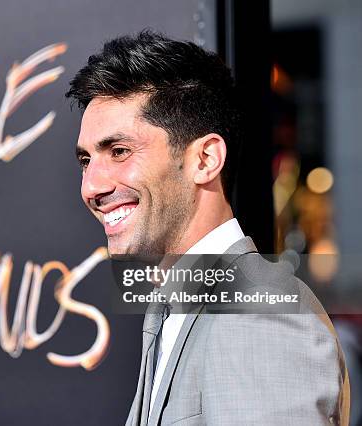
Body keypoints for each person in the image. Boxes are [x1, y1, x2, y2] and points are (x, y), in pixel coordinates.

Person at [66, 30, 350, 425]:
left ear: (205, 159)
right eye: (86, 160)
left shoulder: (256, 316)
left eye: (119, 151)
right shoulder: (172, 309)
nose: (92, 186)